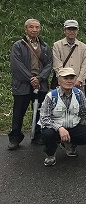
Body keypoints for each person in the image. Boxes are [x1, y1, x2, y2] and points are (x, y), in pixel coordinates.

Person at [39, 67, 86, 166]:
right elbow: (44, 118)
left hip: (73, 127)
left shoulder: (79, 94)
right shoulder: (51, 96)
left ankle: (69, 144)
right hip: (54, 129)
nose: (69, 81)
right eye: (65, 78)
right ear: (59, 80)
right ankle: (50, 154)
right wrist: (59, 128)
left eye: (71, 78)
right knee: (47, 134)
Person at [8, 19, 53, 150]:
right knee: (18, 112)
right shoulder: (18, 45)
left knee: (41, 112)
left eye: (37, 27)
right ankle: (15, 138)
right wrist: (31, 79)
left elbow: (49, 64)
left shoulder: (44, 46)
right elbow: (17, 66)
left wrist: (39, 78)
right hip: (22, 84)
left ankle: (37, 135)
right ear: (26, 29)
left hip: (40, 84)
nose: (34, 30)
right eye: (31, 27)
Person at [52, 20, 86, 89]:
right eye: (69, 29)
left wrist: (79, 80)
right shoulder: (57, 45)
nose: (72, 32)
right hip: (62, 83)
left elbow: (85, 65)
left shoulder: (83, 46)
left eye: (74, 29)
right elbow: (57, 64)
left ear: (77, 31)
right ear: (64, 30)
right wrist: (64, 80)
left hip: (78, 84)